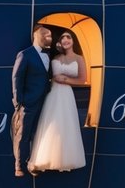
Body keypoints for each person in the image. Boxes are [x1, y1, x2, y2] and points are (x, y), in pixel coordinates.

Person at [28, 30, 88, 172]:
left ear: (73, 41)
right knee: (50, 124)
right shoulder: (54, 56)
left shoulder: (79, 58)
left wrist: (67, 80)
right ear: (59, 42)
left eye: (69, 37)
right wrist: (53, 79)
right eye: (63, 38)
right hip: (53, 93)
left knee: (66, 125)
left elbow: (82, 79)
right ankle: (43, 158)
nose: (66, 40)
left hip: (67, 94)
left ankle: (65, 159)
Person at [12, 24, 52, 177]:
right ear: (35, 35)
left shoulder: (47, 56)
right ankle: (19, 166)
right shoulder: (25, 54)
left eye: (48, 34)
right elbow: (16, 78)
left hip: (45, 100)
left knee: (38, 133)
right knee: (23, 134)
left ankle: (33, 163)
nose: (47, 37)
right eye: (44, 33)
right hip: (28, 101)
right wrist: (18, 101)